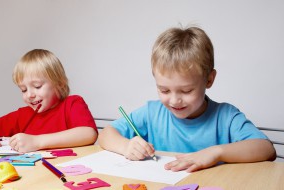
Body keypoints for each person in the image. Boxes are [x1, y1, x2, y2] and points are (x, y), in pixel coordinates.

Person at [98, 26, 276, 172]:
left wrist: (216, 152)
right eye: (164, 90)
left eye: (186, 90)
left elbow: (266, 148)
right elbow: (106, 134)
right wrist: (125, 146)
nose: (175, 101)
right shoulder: (152, 112)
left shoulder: (226, 116)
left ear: (209, 80)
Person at [0, 49, 98, 153]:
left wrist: (36, 142)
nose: (29, 95)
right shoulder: (23, 115)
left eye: (37, 86)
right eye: (23, 90)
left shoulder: (72, 104)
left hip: (71, 173)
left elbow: (89, 133)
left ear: (59, 84)